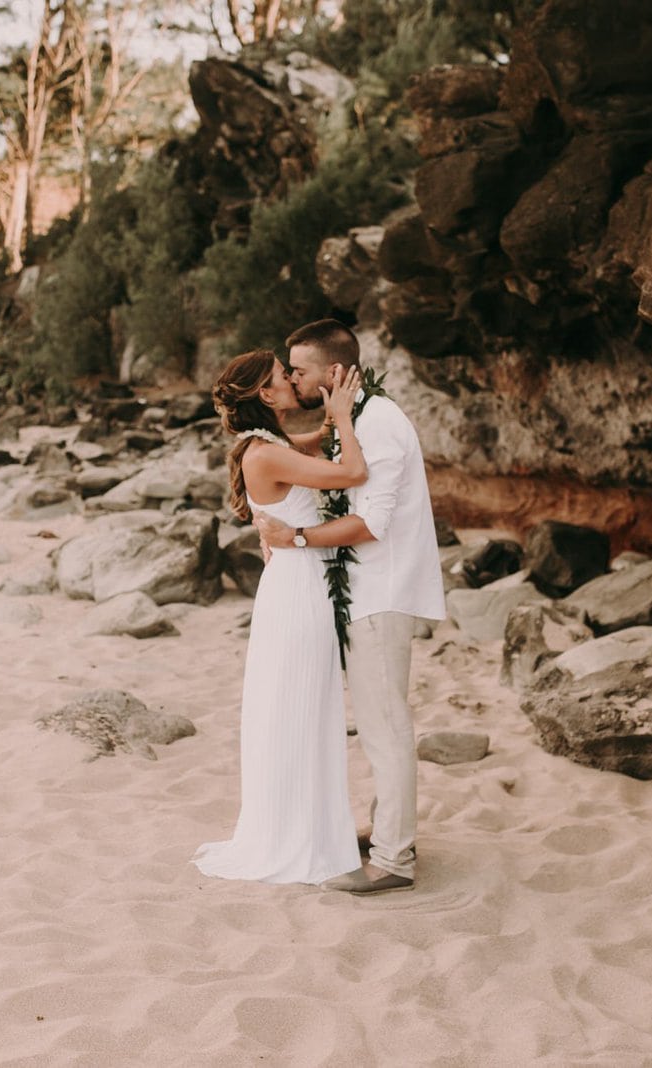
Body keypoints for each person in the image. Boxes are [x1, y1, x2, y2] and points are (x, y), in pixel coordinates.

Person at [255, 319, 446, 896]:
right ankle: (387, 827)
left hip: (381, 596)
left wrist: (296, 540)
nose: (292, 378)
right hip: (360, 593)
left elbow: (371, 522)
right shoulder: (352, 419)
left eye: (300, 370)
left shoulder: (380, 423)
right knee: (376, 725)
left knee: (387, 727)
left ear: (334, 372)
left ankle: (394, 860)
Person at [193, 349, 369, 885]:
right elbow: (352, 471)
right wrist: (338, 415)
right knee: (301, 708)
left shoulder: (270, 445)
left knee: (303, 708)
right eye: (281, 377)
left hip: (294, 585)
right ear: (266, 396)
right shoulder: (266, 455)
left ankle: (315, 825)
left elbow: (316, 447)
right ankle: (301, 837)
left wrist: (344, 409)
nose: (292, 380)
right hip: (299, 591)